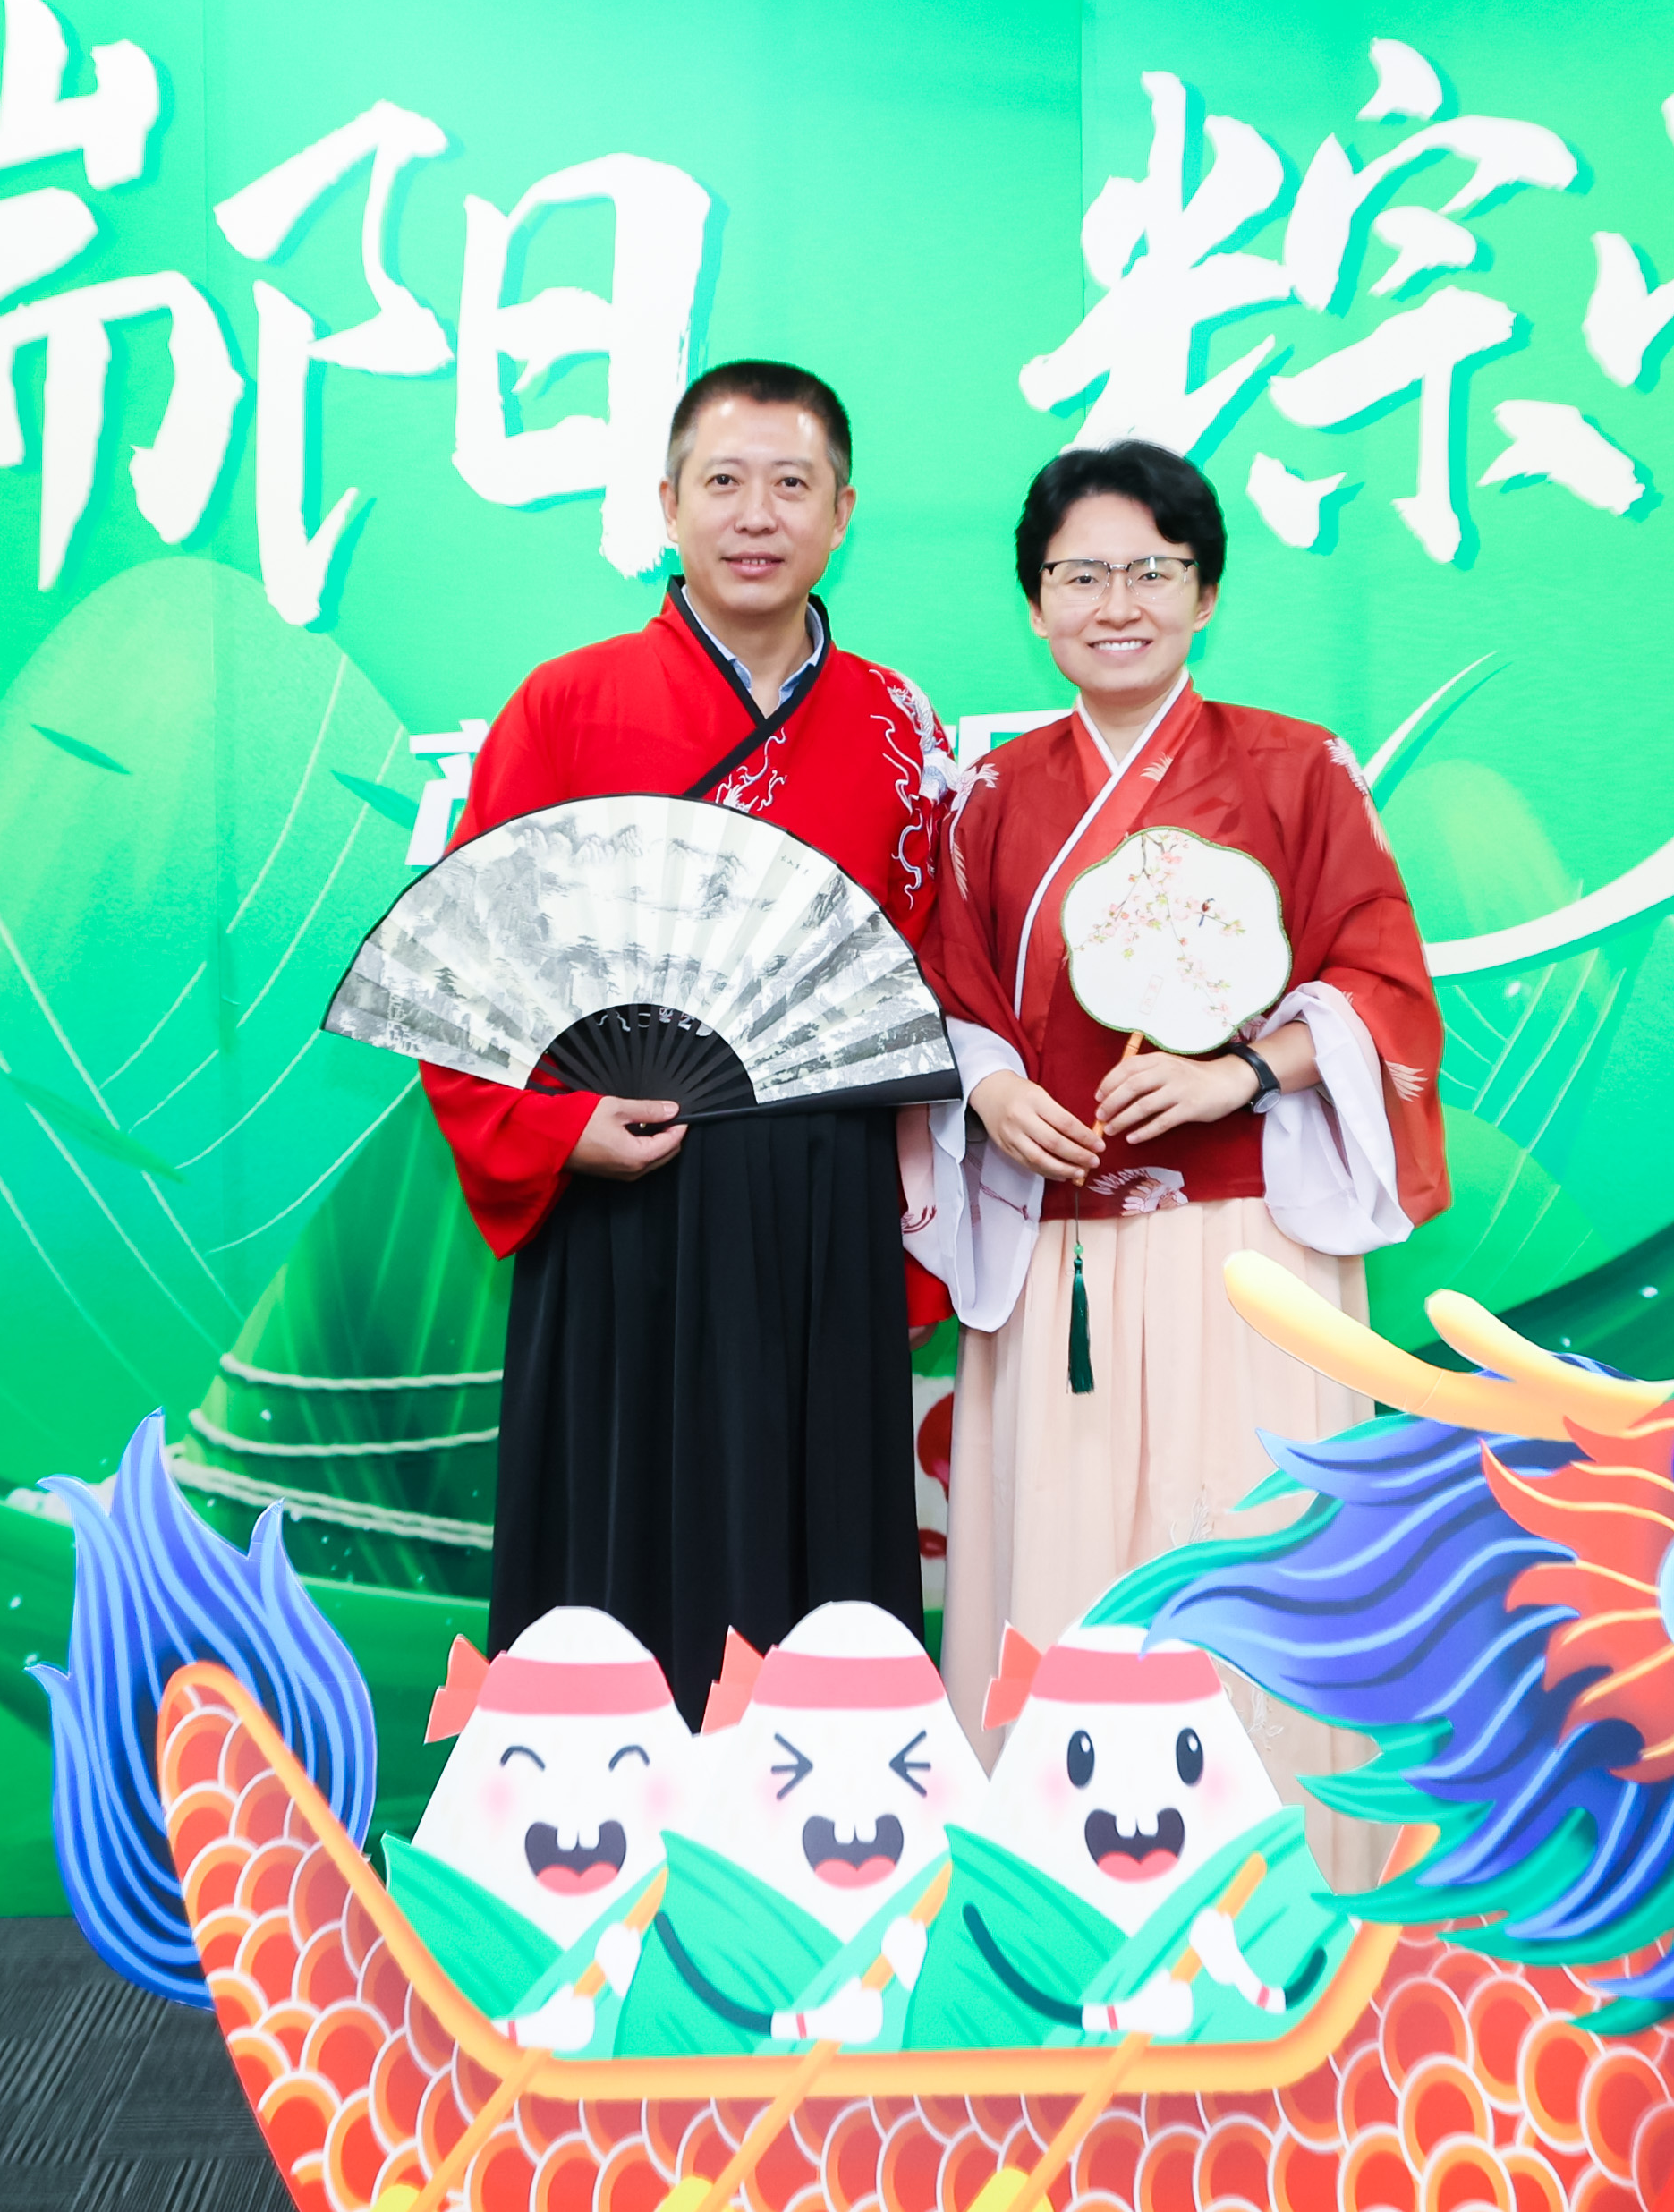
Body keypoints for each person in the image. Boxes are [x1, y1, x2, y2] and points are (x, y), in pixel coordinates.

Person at [907, 439, 1445, 1886]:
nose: (1118, 603)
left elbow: (1386, 988)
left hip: (1247, 1238)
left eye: (1153, 570)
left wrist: (1239, 1071)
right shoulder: (989, 794)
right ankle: (1052, 1894)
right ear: (1036, 603)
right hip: (1061, 1244)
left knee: (1248, 1546)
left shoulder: (1297, 768)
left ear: (1206, 592)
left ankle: (1287, 1892)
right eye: (1081, 574)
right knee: (1066, 1563)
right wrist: (993, 1087)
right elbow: (946, 994)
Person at [422, 361, 952, 1725]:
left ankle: (826, 1827)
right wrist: (555, 1130)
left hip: (823, 1196)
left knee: (818, 1550)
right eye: (724, 481)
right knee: (620, 1551)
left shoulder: (898, 727)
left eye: (791, 483)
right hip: (624, 1186)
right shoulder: (566, 706)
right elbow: (469, 967)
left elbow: (933, 971)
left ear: (842, 512)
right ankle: (598, 1821)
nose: (755, 514)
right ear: (668, 504)